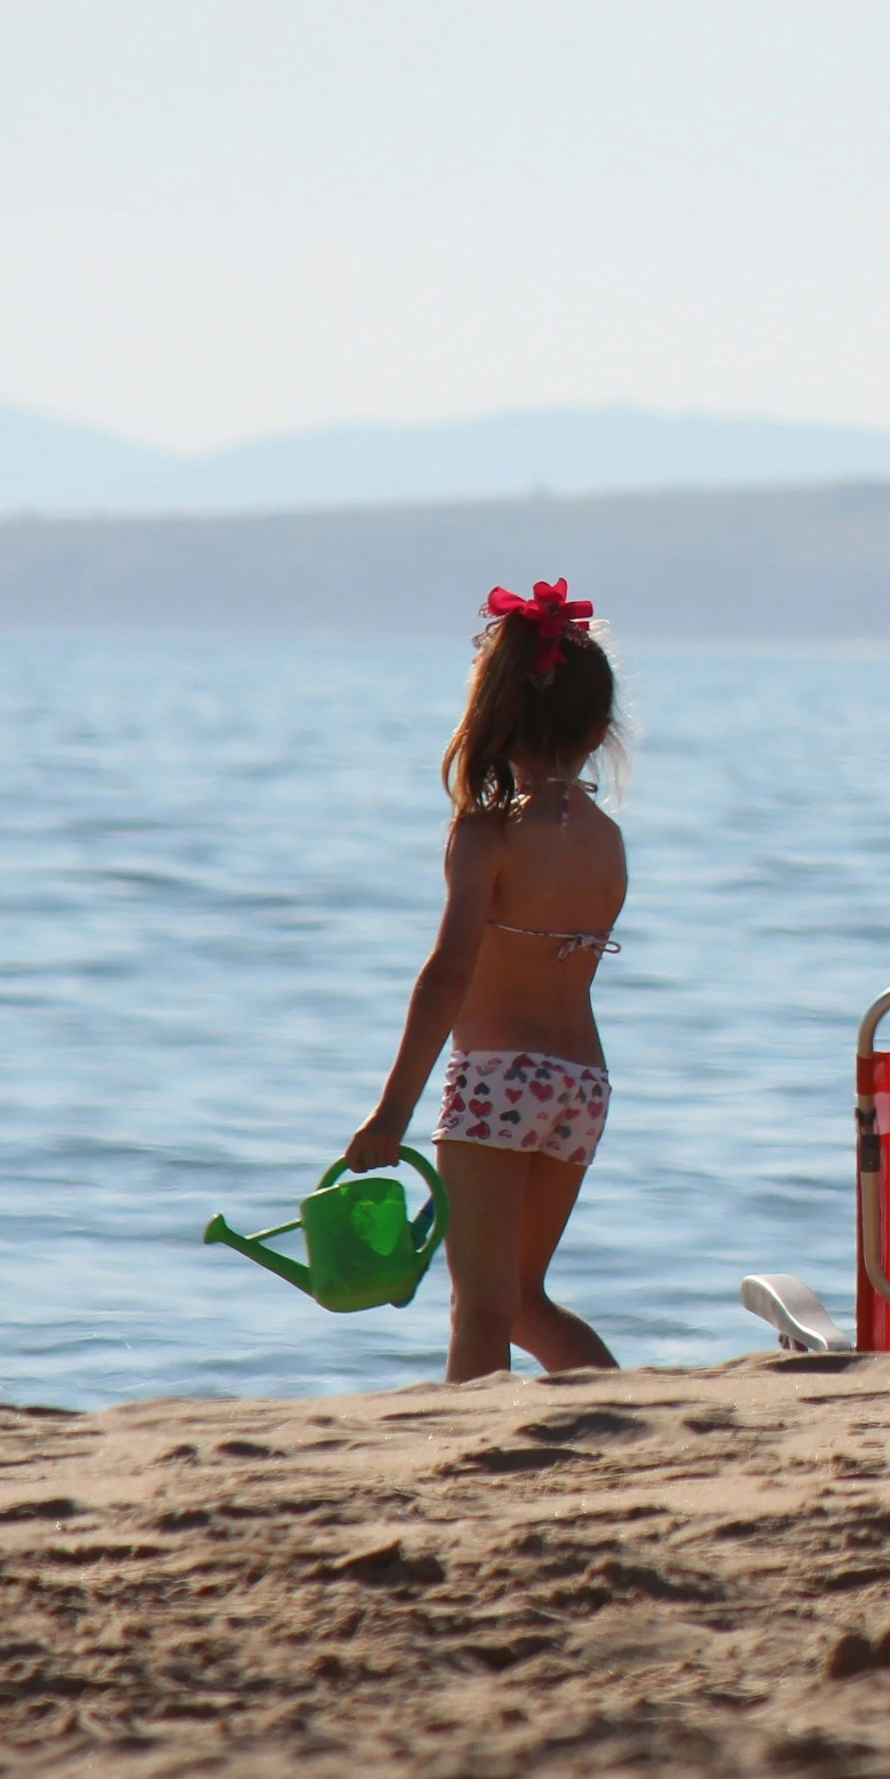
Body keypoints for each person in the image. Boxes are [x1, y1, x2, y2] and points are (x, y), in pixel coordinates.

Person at [343, 580, 627, 1383]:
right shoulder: (606, 840)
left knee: (481, 1308)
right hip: (581, 1083)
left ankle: (471, 1442)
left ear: (492, 716)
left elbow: (448, 975)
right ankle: (630, 1410)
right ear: (599, 730)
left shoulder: (485, 835)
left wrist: (392, 1113)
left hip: (498, 1079)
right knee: (524, 1301)